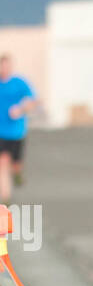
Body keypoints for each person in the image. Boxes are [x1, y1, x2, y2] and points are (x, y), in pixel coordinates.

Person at [0, 55, 37, 202]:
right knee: (3, 162)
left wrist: (20, 109)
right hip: (1, 132)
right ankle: (6, 198)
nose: (4, 69)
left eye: (7, 65)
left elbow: (32, 101)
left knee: (15, 165)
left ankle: (17, 174)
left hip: (16, 132)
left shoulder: (19, 83)